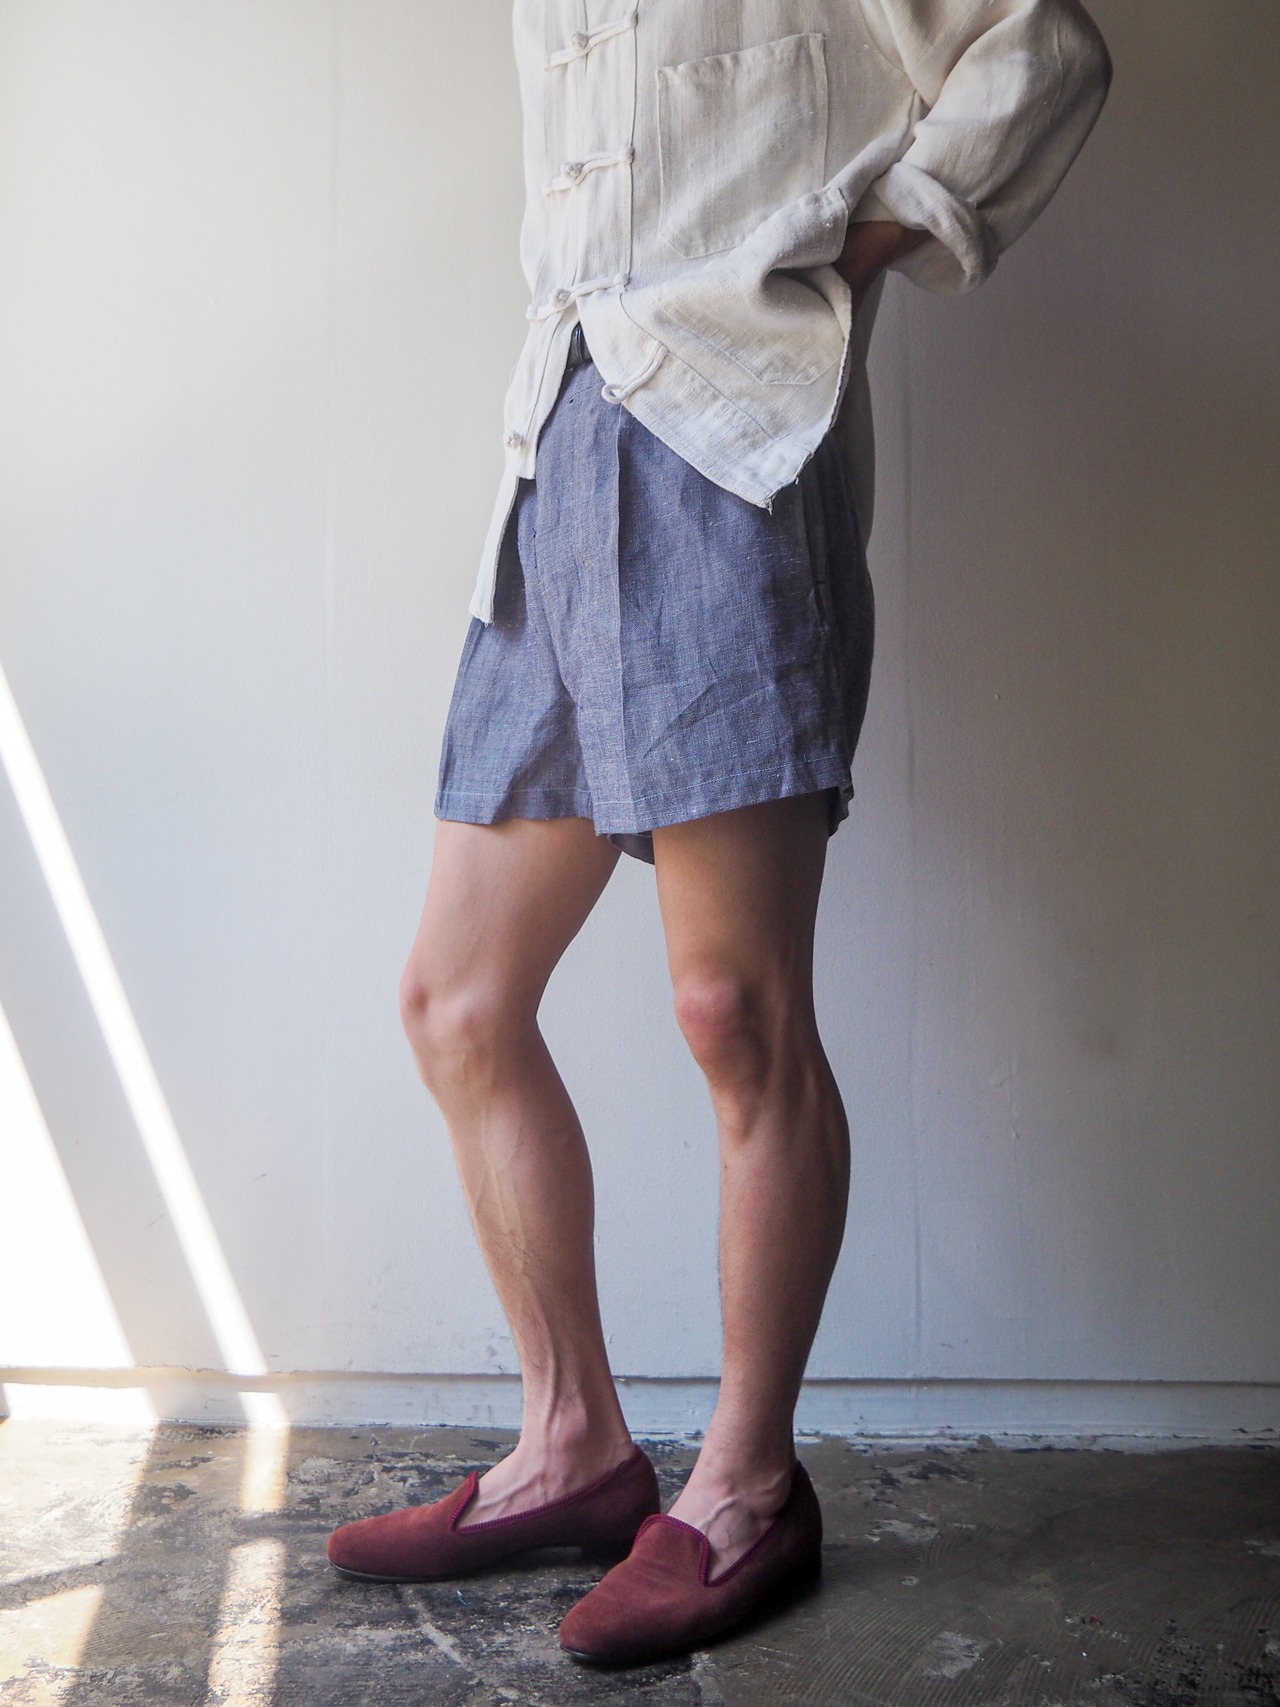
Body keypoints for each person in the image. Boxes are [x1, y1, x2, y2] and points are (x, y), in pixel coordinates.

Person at [328, 0, 1112, 1667]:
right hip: (558, 441)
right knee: (458, 1003)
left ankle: (750, 1486)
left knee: (732, 1012)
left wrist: (861, 246)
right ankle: (573, 1447)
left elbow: (1040, 47)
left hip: (736, 442)